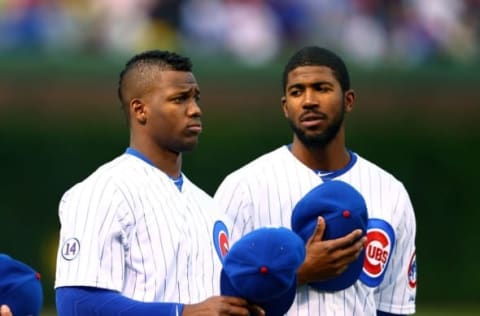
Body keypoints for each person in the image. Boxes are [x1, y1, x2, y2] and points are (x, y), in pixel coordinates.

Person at [54, 49, 264, 316]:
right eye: (179, 99)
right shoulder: (103, 190)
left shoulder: (210, 208)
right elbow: (76, 305)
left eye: (195, 98)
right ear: (140, 110)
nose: (195, 109)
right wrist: (183, 312)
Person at [214, 46, 417, 315]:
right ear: (286, 107)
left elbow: (393, 306)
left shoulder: (390, 192)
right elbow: (217, 297)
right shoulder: (243, 187)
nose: (309, 100)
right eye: (297, 92)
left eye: (322, 88)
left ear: (349, 100)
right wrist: (299, 271)